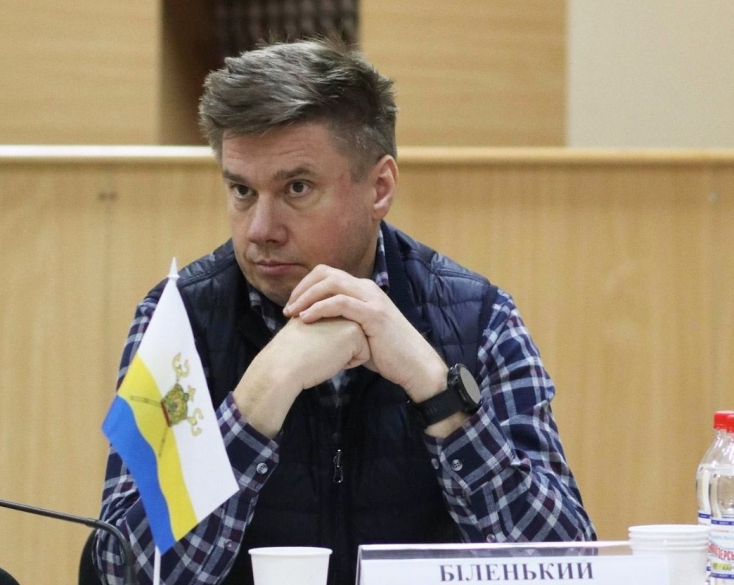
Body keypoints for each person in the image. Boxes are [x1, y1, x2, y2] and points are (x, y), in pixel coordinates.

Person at [94, 39, 596, 585]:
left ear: (379, 188)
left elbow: (566, 565)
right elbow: (123, 572)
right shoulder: (180, 323)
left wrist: (438, 392)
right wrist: (256, 400)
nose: (260, 230)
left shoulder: (478, 320)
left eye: (297, 188)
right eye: (241, 190)